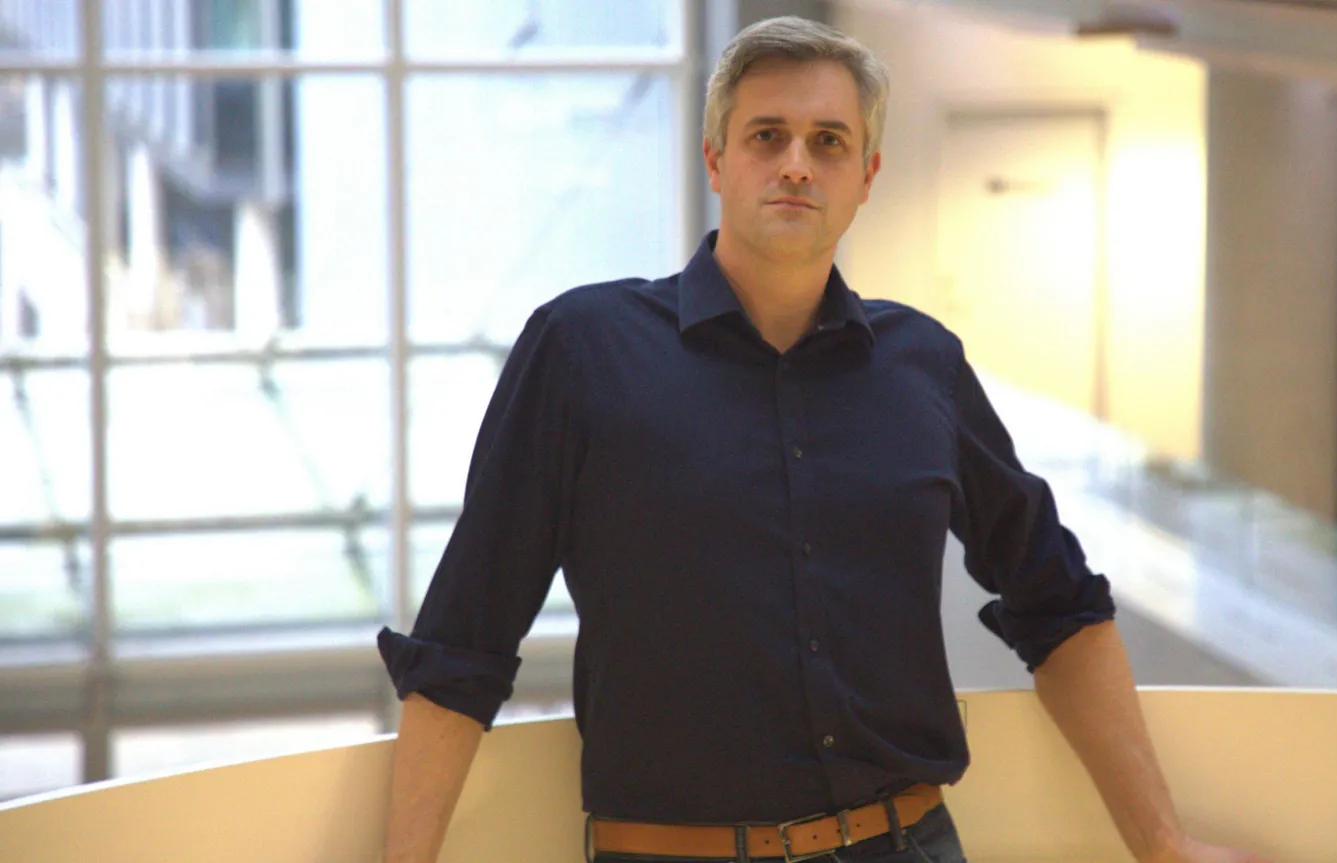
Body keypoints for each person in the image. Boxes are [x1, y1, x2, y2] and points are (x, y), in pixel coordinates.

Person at [377, 15, 1270, 863]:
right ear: (715, 158)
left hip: (910, 841)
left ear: (867, 175)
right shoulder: (582, 348)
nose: (796, 164)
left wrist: (1163, 844)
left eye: (828, 141)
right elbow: (465, 643)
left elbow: (1061, 607)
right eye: (767, 135)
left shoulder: (923, 362)